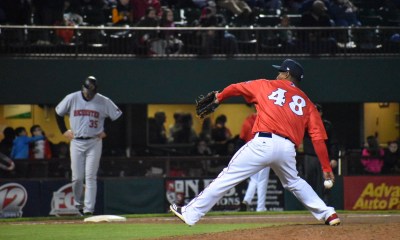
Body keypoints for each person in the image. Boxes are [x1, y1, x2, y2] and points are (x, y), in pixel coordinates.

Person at [170, 58, 341, 226]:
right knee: (295, 182)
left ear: (287, 74)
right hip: (288, 149)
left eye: (280, 71)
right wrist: (326, 167)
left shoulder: (266, 85)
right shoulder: (308, 103)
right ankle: (328, 213)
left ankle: (191, 213)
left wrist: (219, 98)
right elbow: (318, 138)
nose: (277, 74)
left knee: (227, 176)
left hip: (263, 143)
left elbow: (235, 88)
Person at [55, 75, 122, 216]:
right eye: (88, 91)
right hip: (77, 141)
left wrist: (106, 131)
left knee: (91, 176)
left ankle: (88, 210)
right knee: (77, 177)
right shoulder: (72, 98)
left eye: (92, 92)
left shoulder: (103, 100)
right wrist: (63, 130)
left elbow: (117, 116)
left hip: (94, 141)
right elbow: (58, 112)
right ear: (83, 88)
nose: (89, 94)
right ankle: (78, 204)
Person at [303, 104, 339, 204]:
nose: (315, 113)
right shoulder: (305, 124)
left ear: (321, 112)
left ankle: (325, 204)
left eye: (317, 111)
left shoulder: (327, 125)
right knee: (310, 182)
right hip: (310, 156)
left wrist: (334, 158)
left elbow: (333, 143)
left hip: (324, 158)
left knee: (326, 181)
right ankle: (311, 204)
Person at [239, 111, 271, 212]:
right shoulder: (266, 119)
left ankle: (246, 200)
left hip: (251, 152)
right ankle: (260, 207)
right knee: (262, 180)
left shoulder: (247, 121)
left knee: (254, 179)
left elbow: (241, 138)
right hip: (264, 150)